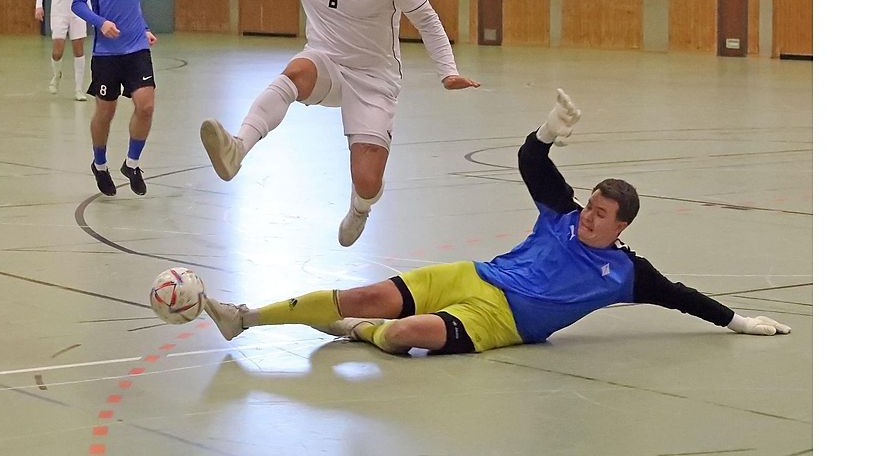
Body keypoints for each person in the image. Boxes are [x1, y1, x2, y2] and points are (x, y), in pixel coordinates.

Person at [200, 89, 793, 355]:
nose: (587, 217)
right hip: (472, 275)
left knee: (405, 333)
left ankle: (352, 330)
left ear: (620, 227)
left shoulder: (625, 273)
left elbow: (681, 298)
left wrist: (738, 320)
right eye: (589, 206)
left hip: (501, 321)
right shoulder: (560, 216)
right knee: (369, 293)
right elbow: (532, 161)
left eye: (600, 216)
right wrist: (550, 129)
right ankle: (245, 318)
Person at [157, 0, 479, 247]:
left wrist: (447, 70)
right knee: (296, 71)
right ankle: (237, 149)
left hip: (373, 79)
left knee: (368, 181)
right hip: (325, 61)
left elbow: (427, 18)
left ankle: (360, 206)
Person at [71, 0, 158, 197]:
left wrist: (144, 29)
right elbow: (77, 4)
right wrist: (101, 23)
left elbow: (134, 7)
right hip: (107, 54)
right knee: (105, 112)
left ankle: (132, 164)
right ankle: (100, 163)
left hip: (137, 49)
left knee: (145, 106)